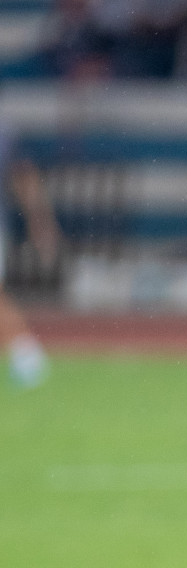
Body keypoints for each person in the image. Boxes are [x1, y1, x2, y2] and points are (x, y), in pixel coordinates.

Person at [2, 122, 60, 390]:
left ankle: (27, 353)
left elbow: (25, 178)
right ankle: (26, 353)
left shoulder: (5, 134)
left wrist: (40, 223)